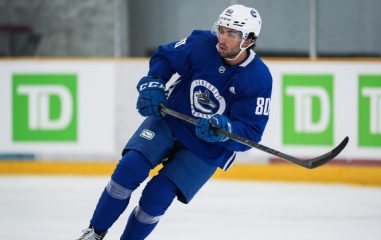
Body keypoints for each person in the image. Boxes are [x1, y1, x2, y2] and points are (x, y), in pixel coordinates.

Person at [77, 4, 272, 240]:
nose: (223, 38)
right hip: (172, 120)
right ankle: (94, 233)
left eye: (232, 34)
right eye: (222, 29)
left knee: (156, 197)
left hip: (206, 147)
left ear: (249, 40)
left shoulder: (258, 77)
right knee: (129, 169)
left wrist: (225, 129)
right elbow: (165, 57)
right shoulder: (202, 43)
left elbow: (250, 133)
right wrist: (154, 83)